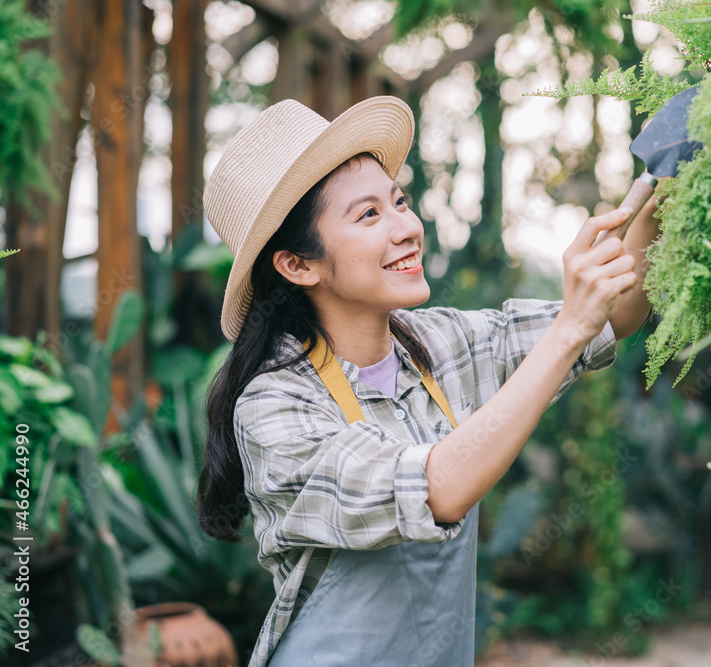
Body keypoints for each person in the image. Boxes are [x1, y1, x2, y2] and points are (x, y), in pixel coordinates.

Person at [196, 95, 660, 667]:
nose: (407, 228)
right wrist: (567, 329)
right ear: (298, 264)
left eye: (399, 201)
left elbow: (614, 315)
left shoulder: (439, 345)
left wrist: (667, 177)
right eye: (369, 215)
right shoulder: (275, 406)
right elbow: (434, 489)